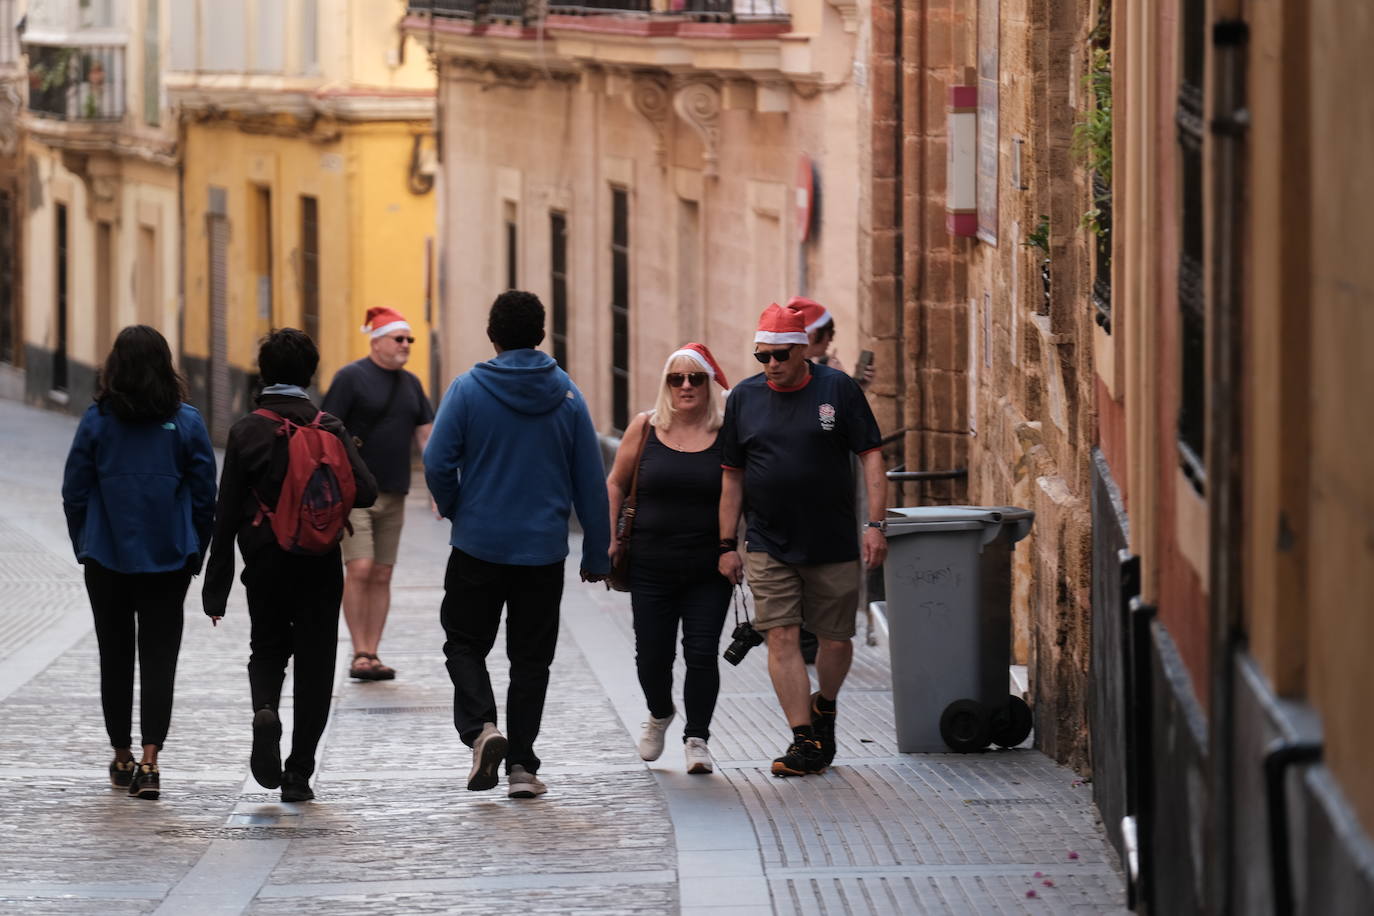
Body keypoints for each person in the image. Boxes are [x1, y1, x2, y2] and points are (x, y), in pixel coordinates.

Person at [424, 290, 611, 799]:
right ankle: (522, 768)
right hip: (542, 551)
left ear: (492, 335)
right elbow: (590, 481)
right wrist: (597, 551)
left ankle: (482, 727)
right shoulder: (568, 395)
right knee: (531, 660)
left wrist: (458, 507)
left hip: (478, 545)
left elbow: (437, 461)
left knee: (464, 643)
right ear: (542, 334)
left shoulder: (468, 389)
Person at [203, 329, 378, 803]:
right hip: (320, 560)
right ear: (310, 374)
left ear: (263, 374)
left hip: (265, 559)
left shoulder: (247, 431)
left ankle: (266, 709)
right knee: (317, 662)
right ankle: (299, 773)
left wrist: (215, 588)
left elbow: (226, 513)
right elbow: (366, 491)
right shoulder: (330, 426)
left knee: (267, 648)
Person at [718, 303, 889, 777]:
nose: (771, 364)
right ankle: (803, 739)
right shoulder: (743, 398)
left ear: (801, 351)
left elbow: (871, 456)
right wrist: (726, 544)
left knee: (835, 640)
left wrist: (876, 525)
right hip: (767, 540)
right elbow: (731, 476)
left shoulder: (838, 389)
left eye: (780, 355)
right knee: (781, 634)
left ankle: (825, 704)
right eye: (763, 356)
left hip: (831, 540)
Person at [62, 325, 218, 800]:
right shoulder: (186, 422)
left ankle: (122, 754)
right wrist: (195, 549)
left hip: (106, 557)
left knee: (114, 656)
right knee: (159, 658)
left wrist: (84, 542)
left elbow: (74, 491)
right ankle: (151, 762)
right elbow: (204, 496)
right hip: (169, 558)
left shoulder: (97, 421)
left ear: (116, 366)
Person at [606, 343, 733, 775]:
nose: (686, 386)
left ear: (708, 384)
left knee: (702, 653)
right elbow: (615, 482)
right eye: (676, 378)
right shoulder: (645, 427)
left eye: (695, 378)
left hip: (708, 567)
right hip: (650, 565)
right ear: (666, 384)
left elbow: (741, 491)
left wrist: (736, 547)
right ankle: (660, 712)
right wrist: (609, 537)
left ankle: (697, 738)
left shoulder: (726, 433)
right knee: (651, 656)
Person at [322, 307, 434, 681]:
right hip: (355, 494)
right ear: (377, 341)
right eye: (399, 338)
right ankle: (359, 653)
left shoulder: (412, 384)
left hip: (395, 492)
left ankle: (372, 650)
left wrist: (438, 484)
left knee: (383, 573)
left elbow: (426, 436)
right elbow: (326, 431)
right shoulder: (350, 378)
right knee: (361, 567)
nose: (406, 345)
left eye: (409, 340)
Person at [787, 296, 877, 665]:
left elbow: (834, 425)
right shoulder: (798, 378)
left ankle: (811, 638)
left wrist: (851, 386)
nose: (828, 343)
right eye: (824, 336)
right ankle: (803, 639)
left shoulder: (830, 379)